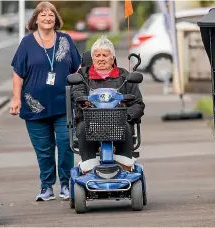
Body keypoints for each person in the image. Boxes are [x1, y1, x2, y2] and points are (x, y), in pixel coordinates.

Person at [10, 1, 82, 201]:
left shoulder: (65, 40)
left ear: (56, 19)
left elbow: (77, 69)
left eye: (51, 14)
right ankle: (47, 186)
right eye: (43, 15)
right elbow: (18, 74)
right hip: (34, 104)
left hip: (64, 103)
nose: (47, 18)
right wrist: (16, 99)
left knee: (66, 145)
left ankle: (67, 185)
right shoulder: (26, 43)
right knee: (44, 149)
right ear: (35, 19)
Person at [71, 36, 145, 173]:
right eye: (97, 55)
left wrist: (126, 116)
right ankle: (88, 168)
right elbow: (77, 94)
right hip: (90, 122)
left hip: (120, 122)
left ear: (112, 57)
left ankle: (125, 166)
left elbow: (138, 104)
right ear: (92, 58)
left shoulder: (125, 76)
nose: (101, 58)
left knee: (127, 127)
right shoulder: (82, 76)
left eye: (105, 55)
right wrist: (85, 101)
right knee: (81, 128)